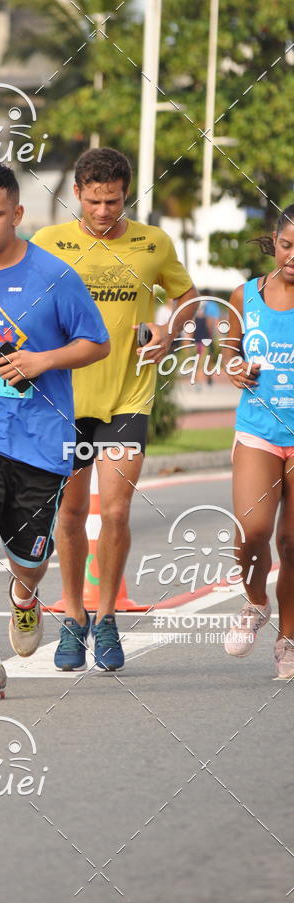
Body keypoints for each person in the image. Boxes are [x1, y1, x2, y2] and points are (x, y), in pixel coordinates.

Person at [0, 160, 109, 700]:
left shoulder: (54, 276)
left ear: (18, 214)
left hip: (41, 438)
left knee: (28, 558)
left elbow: (96, 342)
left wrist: (42, 362)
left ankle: (26, 595)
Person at [32, 147, 198, 672]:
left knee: (118, 511)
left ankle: (106, 619)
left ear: (127, 194)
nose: (104, 211)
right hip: (65, 401)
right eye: (95, 201)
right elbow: (22, 303)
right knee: (72, 513)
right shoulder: (48, 243)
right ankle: (74, 617)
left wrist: (171, 330)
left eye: (114, 201)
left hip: (128, 396)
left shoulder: (153, 243)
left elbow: (190, 299)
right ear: (77, 192)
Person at [223, 205, 294, 678]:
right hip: (259, 431)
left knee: (292, 543)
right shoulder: (246, 295)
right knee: (253, 531)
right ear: (275, 240)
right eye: (288, 246)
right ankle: (254, 601)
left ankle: (288, 639)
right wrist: (235, 369)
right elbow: (229, 354)